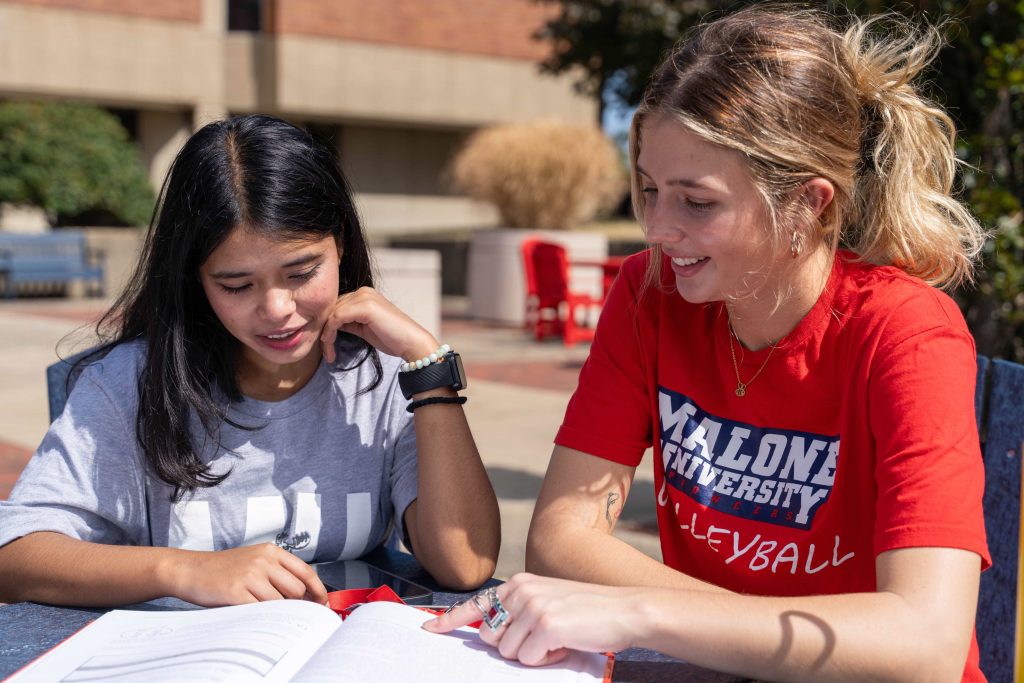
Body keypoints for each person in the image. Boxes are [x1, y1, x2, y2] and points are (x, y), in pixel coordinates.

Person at [426, 7, 989, 681]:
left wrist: (644, 613)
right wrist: (750, 640)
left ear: (807, 205)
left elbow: (926, 644)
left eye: (697, 202)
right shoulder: (649, 294)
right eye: (650, 190)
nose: (658, 229)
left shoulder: (907, 333)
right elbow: (559, 536)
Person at [0, 114, 499, 608]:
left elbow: (466, 563)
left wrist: (427, 364)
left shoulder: (387, 376)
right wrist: (182, 570)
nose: (277, 310)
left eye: (302, 272)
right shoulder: (127, 385)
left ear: (340, 246)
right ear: (195, 278)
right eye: (236, 285)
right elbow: (15, 555)